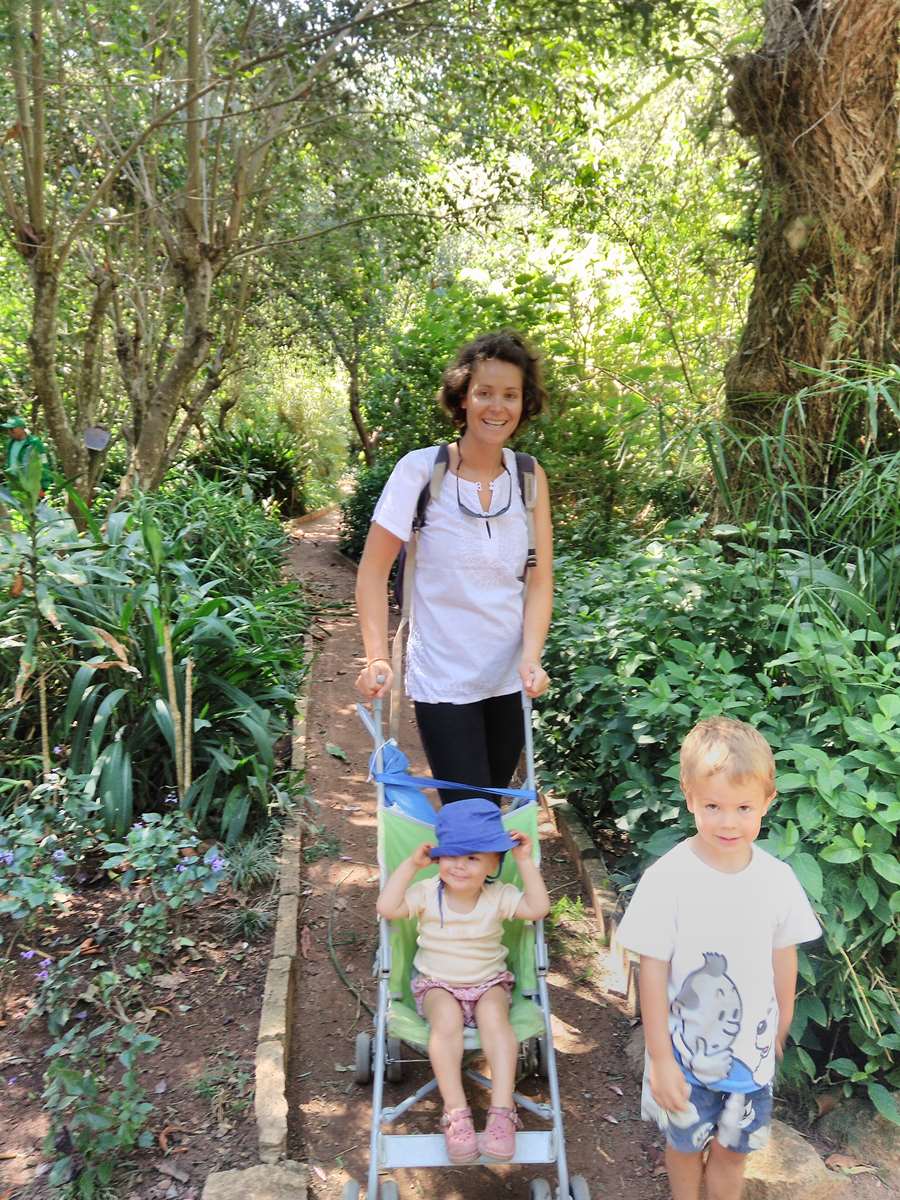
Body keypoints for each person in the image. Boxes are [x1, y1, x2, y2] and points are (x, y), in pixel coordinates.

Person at [616, 717, 821, 1200]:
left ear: (767, 803)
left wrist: (781, 1027)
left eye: (743, 807)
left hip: (750, 1060)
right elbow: (652, 967)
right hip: (683, 1059)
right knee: (684, 1148)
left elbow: (783, 955)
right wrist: (660, 1058)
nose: (728, 821)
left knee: (734, 1153)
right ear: (689, 798)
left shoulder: (776, 880)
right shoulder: (669, 879)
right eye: (713, 806)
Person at [355, 330, 553, 802]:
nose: (497, 407)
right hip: (443, 678)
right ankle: (463, 877)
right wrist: (376, 656)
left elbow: (540, 579)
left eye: (510, 395)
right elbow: (372, 570)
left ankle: (473, 878)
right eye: (484, 393)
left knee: (488, 809)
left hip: (508, 678)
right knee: (472, 817)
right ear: (463, 398)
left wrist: (532, 657)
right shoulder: (419, 471)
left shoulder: (529, 476)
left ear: (525, 403)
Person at [376, 797, 550, 1163]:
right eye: (452, 855)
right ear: (438, 858)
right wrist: (410, 866)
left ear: (493, 864)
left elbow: (537, 909)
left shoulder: (500, 896)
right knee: (446, 1022)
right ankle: (456, 1111)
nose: (459, 865)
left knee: (495, 1021)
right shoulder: (425, 893)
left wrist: (524, 861)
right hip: (437, 984)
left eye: (473, 858)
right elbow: (388, 908)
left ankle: (502, 1111)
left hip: (489, 983)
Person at [2, 414, 52, 491]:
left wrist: (43, 486)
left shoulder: (34, 443)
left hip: (30, 486)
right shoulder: (10, 443)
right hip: (14, 485)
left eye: (12, 429)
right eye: (8, 429)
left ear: (21, 429)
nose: (9, 432)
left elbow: (43, 463)